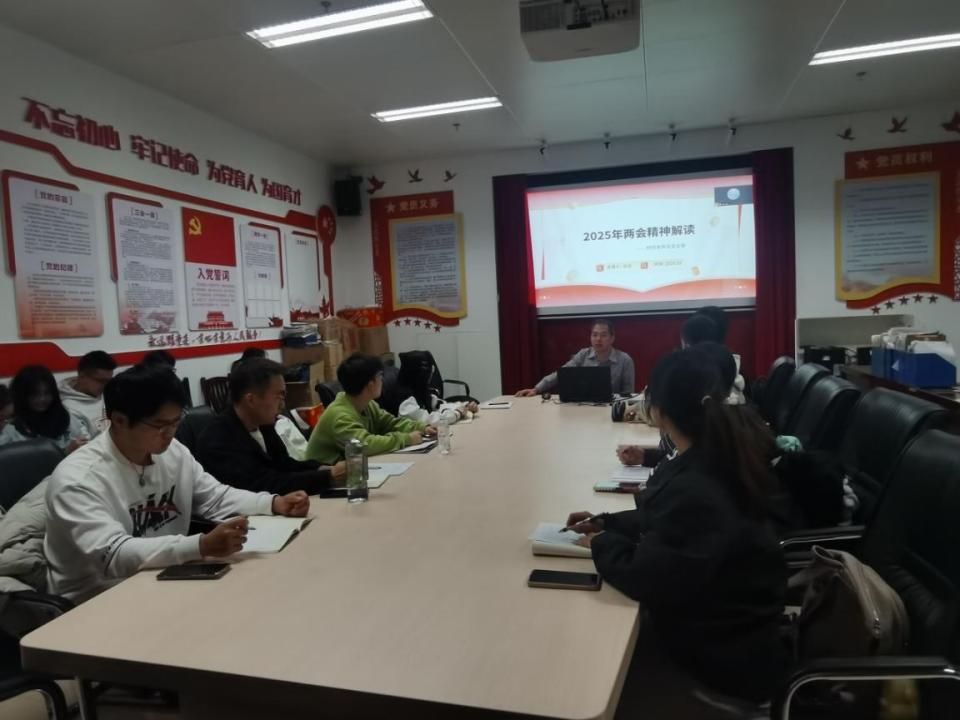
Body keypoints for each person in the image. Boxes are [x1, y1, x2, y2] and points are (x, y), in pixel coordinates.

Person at [565, 348, 787, 712]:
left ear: (658, 412)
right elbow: (667, 521)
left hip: (715, 659)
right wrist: (610, 521)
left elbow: (645, 577)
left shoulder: (696, 487)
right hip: (730, 626)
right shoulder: (717, 455)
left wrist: (602, 543)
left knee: (583, 667)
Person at [44, 364, 310, 602]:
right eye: (161, 425)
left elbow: (214, 497)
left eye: (176, 422)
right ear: (119, 420)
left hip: (163, 578)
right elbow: (115, 555)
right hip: (96, 598)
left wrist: (273, 503)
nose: (171, 434)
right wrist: (199, 546)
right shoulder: (78, 479)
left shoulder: (172, 452)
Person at [195, 358, 345, 495]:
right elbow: (264, 484)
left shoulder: (263, 425)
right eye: (279, 396)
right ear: (251, 400)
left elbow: (285, 465)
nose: (283, 405)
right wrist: (328, 477)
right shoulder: (218, 438)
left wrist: (322, 468)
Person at [305, 353, 433, 464]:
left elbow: (391, 423)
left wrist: (423, 427)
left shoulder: (366, 404)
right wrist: (406, 439)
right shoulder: (340, 416)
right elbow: (365, 445)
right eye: (380, 375)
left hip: (351, 469)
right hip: (324, 476)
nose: (382, 379)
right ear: (370, 385)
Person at [515, 319, 635, 397]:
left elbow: (628, 394)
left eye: (603, 335)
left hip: (611, 410)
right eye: (595, 335)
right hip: (584, 408)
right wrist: (536, 389)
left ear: (612, 338)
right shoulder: (583, 355)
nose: (598, 339)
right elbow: (561, 373)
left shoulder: (625, 360)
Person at [0, 365, 88, 452]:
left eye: (47, 393)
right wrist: (65, 453)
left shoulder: (62, 415)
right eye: (35, 394)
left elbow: (83, 436)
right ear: (23, 395)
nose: (42, 399)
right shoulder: (11, 426)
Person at [58, 350, 117, 437]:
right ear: (82, 376)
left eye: (108, 381)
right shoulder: (68, 409)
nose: (106, 385)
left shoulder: (105, 392)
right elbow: (85, 444)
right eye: (101, 381)